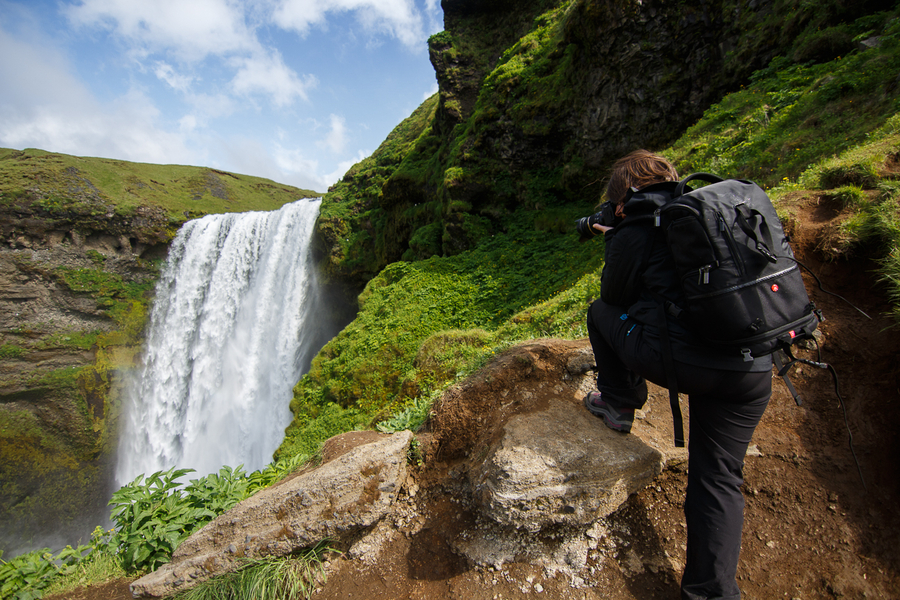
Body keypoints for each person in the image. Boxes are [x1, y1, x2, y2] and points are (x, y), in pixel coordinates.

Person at [583, 150, 773, 600]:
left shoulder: (639, 222)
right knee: (718, 479)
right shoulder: (707, 210)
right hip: (751, 366)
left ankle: (618, 401)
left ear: (625, 197)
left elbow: (614, 293)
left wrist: (616, 235)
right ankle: (711, 594)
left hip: (686, 362)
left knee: (599, 311)